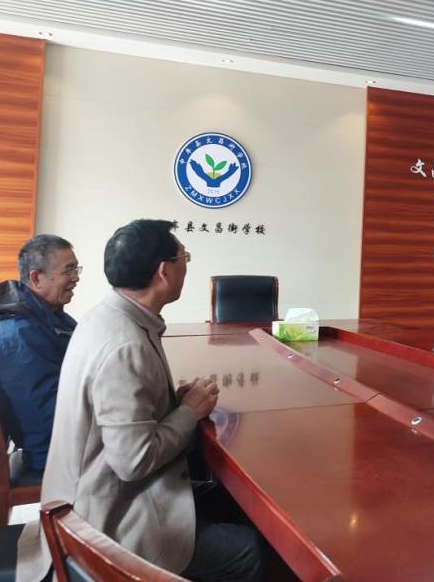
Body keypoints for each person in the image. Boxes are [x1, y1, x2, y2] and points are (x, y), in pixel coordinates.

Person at [16, 220, 262, 581]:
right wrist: (188, 412)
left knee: (232, 501)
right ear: (164, 271)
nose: (186, 267)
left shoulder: (108, 316)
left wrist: (174, 405)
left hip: (101, 495)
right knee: (250, 552)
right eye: (184, 259)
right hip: (105, 522)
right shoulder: (125, 344)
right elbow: (134, 461)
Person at [0, 234, 80, 471]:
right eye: (68, 270)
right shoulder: (16, 335)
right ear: (36, 278)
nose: (76, 278)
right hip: (57, 453)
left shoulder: (51, 318)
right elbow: (49, 415)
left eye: (76, 269)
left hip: (70, 437)